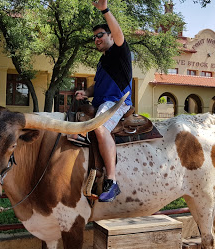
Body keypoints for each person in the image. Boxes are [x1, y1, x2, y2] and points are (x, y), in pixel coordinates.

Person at [73, 0, 132, 202]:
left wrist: (105, 10)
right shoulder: (103, 61)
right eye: (94, 37)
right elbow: (96, 86)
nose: (96, 39)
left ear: (109, 36)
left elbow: (119, 34)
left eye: (100, 35)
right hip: (101, 102)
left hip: (117, 101)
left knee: (99, 128)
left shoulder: (120, 51)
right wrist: (85, 92)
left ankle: (111, 181)